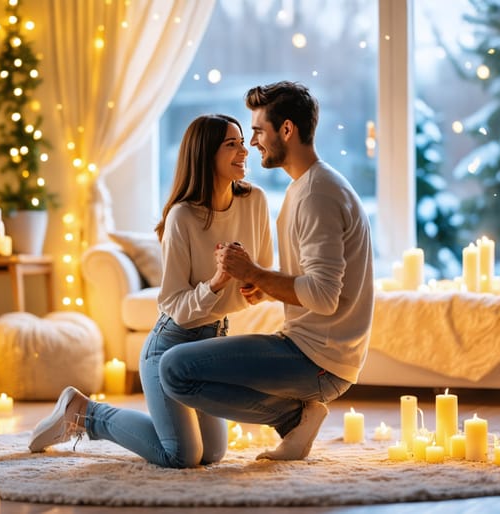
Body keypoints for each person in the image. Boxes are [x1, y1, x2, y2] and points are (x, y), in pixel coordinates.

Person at [28, 114, 274, 468]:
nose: (243, 151)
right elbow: (174, 305)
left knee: (214, 453)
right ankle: (84, 413)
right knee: (181, 455)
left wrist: (254, 285)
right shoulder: (183, 217)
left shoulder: (256, 201)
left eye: (241, 142)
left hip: (210, 347)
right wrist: (219, 281)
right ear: (206, 154)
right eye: (231, 144)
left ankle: (94, 415)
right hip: (170, 346)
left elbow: (262, 273)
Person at [158, 81, 375, 461]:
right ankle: (295, 418)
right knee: (177, 369)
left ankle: (294, 418)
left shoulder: (316, 196)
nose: (252, 143)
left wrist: (255, 273)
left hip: (317, 360)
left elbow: (324, 297)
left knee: (175, 368)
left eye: (257, 131)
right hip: (318, 353)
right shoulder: (305, 189)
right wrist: (264, 287)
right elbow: (311, 284)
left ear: (286, 130)